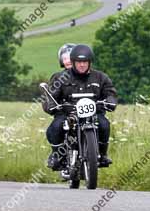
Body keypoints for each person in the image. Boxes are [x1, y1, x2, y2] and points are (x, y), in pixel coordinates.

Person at [42, 44, 118, 174]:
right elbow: (50, 96)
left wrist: (110, 101)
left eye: (85, 62)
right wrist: (51, 105)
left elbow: (110, 93)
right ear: (73, 63)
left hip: (94, 114)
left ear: (90, 63)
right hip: (67, 113)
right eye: (79, 62)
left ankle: (103, 155)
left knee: (104, 124)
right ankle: (57, 155)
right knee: (56, 127)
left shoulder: (100, 77)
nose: (82, 65)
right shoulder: (60, 77)